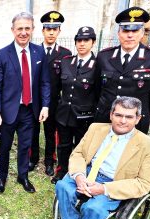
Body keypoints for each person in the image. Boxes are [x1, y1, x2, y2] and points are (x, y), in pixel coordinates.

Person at [55, 96, 150, 219]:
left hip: (114, 182)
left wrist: (104, 188)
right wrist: (79, 176)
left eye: (129, 117)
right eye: (118, 115)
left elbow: (144, 183)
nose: (123, 121)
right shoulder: (96, 128)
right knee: (62, 186)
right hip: (87, 172)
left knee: (93, 209)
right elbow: (78, 154)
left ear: (137, 119)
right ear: (111, 114)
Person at [0, 12, 50, 194]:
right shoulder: (1, 55)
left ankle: (23, 176)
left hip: (29, 110)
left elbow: (45, 81)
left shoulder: (39, 52)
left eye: (27, 28)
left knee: (25, 145)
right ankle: (2, 177)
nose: (23, 32)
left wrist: (45, 105)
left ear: (32, 29)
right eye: (20, 29)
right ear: (12, 30)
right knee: (5, 147)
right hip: (8, 111)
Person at [94, 6, 150, 134]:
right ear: (119, 33)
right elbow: (96, 89)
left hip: (136, 123)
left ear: (142, 33)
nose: (130, 35)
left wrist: (140, 112)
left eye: (135, 31)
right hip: (105, 119)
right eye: (125, 30)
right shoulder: (104, 56)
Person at [52, 27, 98, 184]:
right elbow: (57, 86)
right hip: (64, 114)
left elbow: (99, 93)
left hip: (84, 117)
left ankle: (77, 173)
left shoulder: (98, 65)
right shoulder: (66, 62)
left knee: (80, 147)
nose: (82, 44)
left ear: (93, 42)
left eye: (86, 40)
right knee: (63, 145)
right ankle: (62, 170)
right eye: (79, 40)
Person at [29, 11, 71, 176]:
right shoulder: (33, 51)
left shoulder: (65, 54)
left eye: (55, 29)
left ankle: (49, 160)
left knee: (50, 132)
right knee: (33, 130)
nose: (51, 32)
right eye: (48, 29)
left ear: (59, 31)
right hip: (34, 99)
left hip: (53, 101)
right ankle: (33, 158)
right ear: (43, 31)